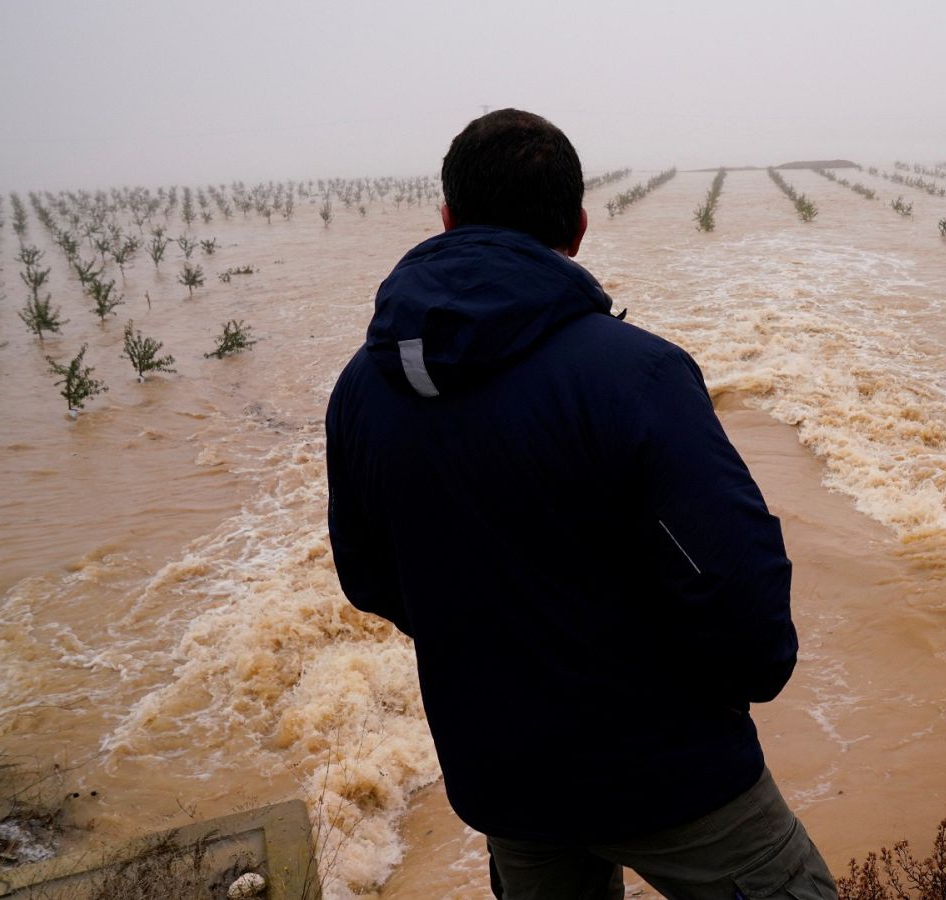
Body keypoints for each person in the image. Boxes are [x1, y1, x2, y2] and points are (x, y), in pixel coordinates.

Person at [324, 108, 836, 900]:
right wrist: (728, 690)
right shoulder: (637, 376)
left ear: (449, 219)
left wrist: (494, 649)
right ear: (579, 228)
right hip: (673, 770)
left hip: (505, 777)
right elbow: (736, 583)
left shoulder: (363, 388)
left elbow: (367, 576)